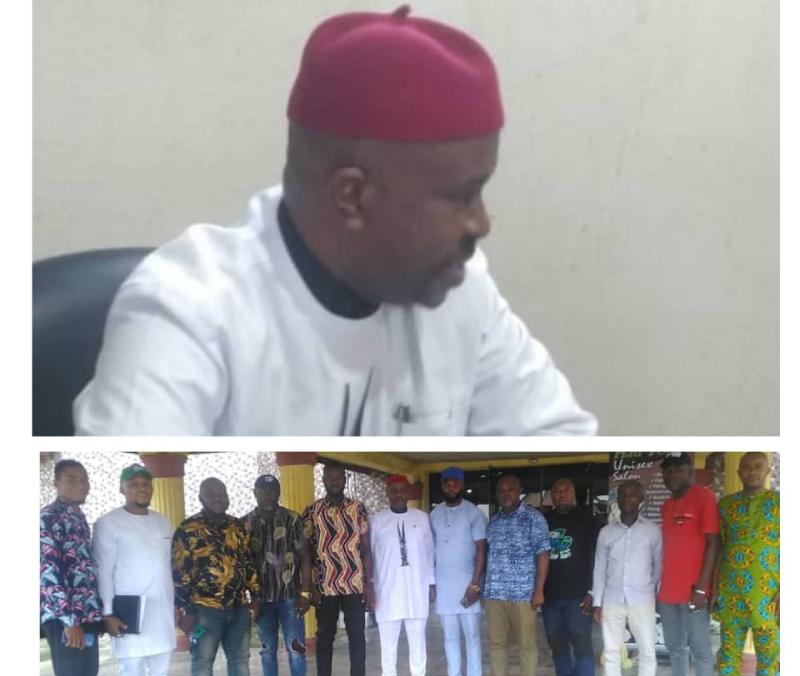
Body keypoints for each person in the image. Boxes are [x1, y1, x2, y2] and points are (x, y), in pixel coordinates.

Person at [72, 7, 597, 437]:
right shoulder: (189, 310)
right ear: (352, 196)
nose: (481, 223)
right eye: (462, 196)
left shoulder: (459, 287)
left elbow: (558, 438)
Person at [92, 464, 186, 676]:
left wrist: (177, 605)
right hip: (128, 613)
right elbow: (104, 570)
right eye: (134, 484)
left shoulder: (162, 521)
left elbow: (169, 567)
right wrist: (108, 613)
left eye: (146, 483)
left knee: (160, 674)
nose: (142, 488)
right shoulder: (108, 523)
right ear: (122, 488)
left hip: (161, 611)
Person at [172, 478, 268, 676]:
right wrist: (184, 608)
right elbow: (179, 570)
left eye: (222, 493)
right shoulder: (188, 529)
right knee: (202, 662)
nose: (218, 498)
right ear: (201, 497)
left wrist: (255, 596)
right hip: (203, 610)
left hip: (237, 607)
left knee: (240, 659)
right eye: (211, 494)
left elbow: (247, 562)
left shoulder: (238, 526)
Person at [704, 453, 779, 676]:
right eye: (746, 467)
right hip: (731, 594)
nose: (751, 472)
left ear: (768, 470)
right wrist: (714, 587)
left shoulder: (781, 503)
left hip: (768, 596)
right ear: (738, 472)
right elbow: (719, 548)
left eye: (758, 467)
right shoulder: (726, 505)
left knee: (769, 656)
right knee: (728, 655)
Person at [301, 464, 378, 676]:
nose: (335, 480)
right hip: (325, 586)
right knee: (324, 638)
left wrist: (369, 583)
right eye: (330, 477)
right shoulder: (312, 512)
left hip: (354, 584)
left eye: (339, 477)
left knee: (357, 637)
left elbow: (366, 549)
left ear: (344, 480)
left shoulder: (358, 509)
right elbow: (305, 552)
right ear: (323, 479)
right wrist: (310, 586)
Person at [654, 453, 720, 676]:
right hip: (669, 592)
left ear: (690, 473)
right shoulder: (667, 506)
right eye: (668, 473)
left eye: (678, 471)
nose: (672, 477)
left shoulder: (703, 497)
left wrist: (702, 589)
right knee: (676, 648)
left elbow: (714, 543)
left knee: (702, 650)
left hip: (694, 592)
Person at [40, 459, 103, 676]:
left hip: (85, 617)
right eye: (72, 479)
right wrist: (69, 621)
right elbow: (48, 572)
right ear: (56, 484)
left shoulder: (77, 517)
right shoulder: (49, 517)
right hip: (67, 620)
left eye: (84, 479)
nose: (81, 485)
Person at [592, 480, 662, 676]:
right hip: (612, 598)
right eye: (623, 495)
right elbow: (599, 569)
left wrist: (653, 593)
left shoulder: (652, 531)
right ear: (617, 499)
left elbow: (658, 566)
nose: (628, 500)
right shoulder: (606, 532)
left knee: (647, 650)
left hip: (642, 599)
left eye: (633, 495)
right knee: (611, 650)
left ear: (640, 499)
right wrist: (597, 602)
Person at [244, 474, 313, 676]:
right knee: (267, 650)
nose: (268, 495)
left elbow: (305, 557)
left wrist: (306, 592)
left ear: (278, 493)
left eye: (272, 490)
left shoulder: (292, 519)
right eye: (263, 491)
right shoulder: (246, 524)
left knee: (296, 648)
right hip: (262, 600)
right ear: (255, 493)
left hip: (290, 597)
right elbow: (243, 564)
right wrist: (250, 598)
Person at [480, 474, 550, 676]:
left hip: (523, 594)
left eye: (510, 489)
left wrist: (539, 590)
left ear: (519, 490)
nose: (505, 493)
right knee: (496, 643)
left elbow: (543, 554)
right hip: (495, 594)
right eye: (501, 490)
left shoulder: (534, 518)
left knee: (526, 644)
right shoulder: (494, 522)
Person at [370, 475, 436, 676]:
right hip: (387, 590)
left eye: (402, 490)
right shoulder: (377, 520)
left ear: (408, 493)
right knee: (387, 640)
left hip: (416, 589)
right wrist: (370, 586)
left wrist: (431, 582)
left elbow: (430, 552)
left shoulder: (421, 518)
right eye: (394, 490)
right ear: (388, 493)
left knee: (418, 638)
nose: (399, 494)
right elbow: (369, 555)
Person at [429, 466, 486, 676]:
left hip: (466, 586)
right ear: (442, 486)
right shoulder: (434, 514)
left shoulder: (474, 513)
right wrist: (431, 583)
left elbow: (482, 551)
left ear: (461, 485)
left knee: (471, 635)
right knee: (450, 637)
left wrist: (474, 585)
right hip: (444, 587)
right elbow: (430, 551)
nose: (450, 486)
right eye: (446, 482)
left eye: (455, 482)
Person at [542, 478, 599, 676]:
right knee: (556, 642)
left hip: (579, 595)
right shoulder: (544, 521)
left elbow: (597, 557)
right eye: (556, 491)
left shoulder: (589, 520)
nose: (560, 495)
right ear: (551, 496)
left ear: (574, 493)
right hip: (550, 595)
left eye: (565, 491)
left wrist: (592, 591)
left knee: (581, 641)